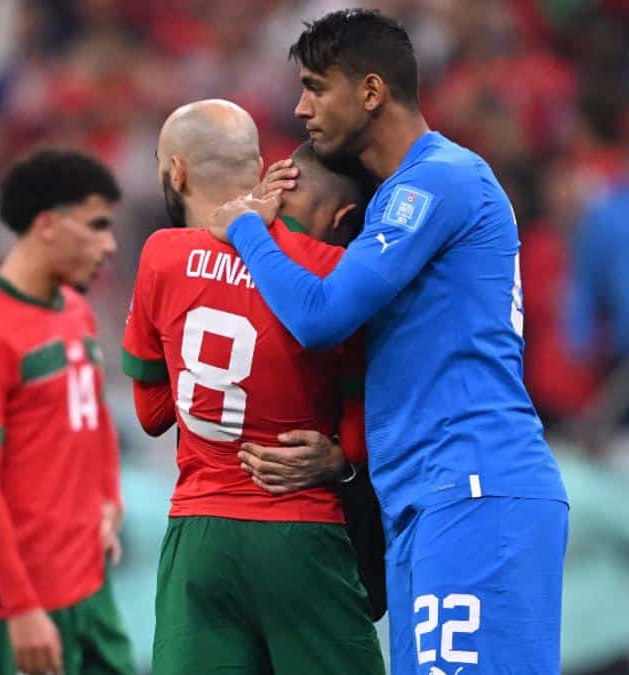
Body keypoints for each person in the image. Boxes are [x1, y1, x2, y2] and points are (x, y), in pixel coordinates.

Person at [207, 10, 569, 674]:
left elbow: (321, 315)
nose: (301, 108)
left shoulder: (439, 179)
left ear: (371, 91)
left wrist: (246, 228)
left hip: (474, 484)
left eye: (317, 87)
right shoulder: (397, 199)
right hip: (424, 496)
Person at [123, 99, 383, 675]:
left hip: (199, 533)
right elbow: (364, 427)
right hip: (301, 531)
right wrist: (337, 457)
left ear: (177, 172)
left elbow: (152, 412)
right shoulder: (330, 272)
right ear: (261, 168)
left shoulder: (161, 256)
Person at [0, 149, 134, 675]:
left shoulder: (77, 313)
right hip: (9, 608)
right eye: (96, 226)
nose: (110, 245)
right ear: (46, 225)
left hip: (87, 591)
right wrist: (21, 607)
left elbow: (96, 422)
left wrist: (110, 500)